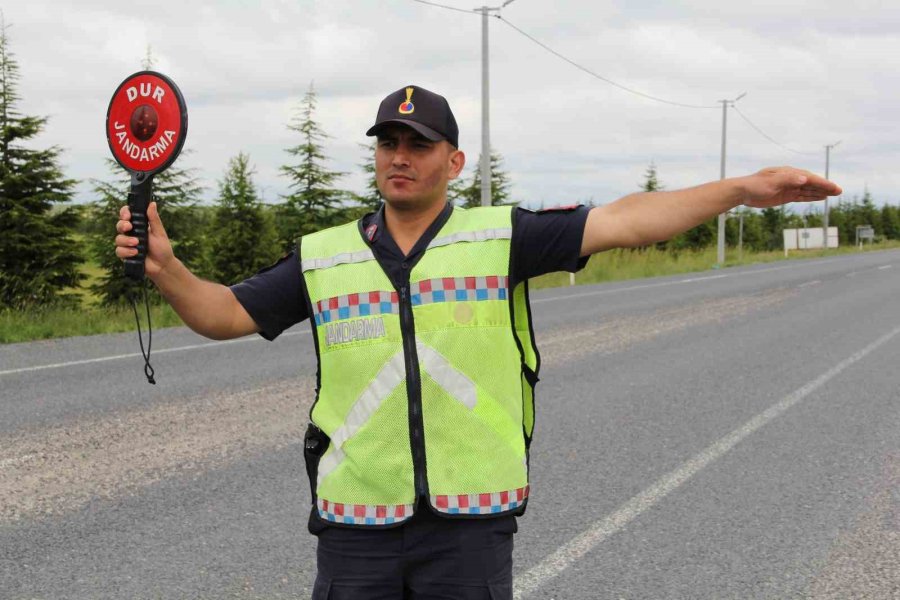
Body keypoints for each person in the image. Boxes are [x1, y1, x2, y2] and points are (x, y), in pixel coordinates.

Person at [115, 85, 842, 599]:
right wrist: (169, 268)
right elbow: (221, 315)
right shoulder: (323, 255)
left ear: (453, 162)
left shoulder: (505, 238)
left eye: (419, 145)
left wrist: (742, 189)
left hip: (469, 528)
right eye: (388, 143)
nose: (400, 155)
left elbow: (628, 220)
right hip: (355, 528)